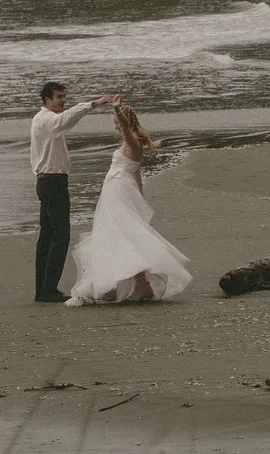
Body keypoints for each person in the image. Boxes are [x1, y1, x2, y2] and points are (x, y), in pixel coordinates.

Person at [64, 102, 192, 305]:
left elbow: (125, 128)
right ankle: (120, 283)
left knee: (122, 232)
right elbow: (137, 173)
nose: (116, 126)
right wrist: (140, 198)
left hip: (118, 190)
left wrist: (117, 109)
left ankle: (140, 283)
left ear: (126, 122)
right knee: (113, 233)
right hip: (116, 189)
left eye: (117, 122)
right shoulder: (130, 144)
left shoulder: (132, 141)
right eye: (115, 122)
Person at [29, 80, 120, 303]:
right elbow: (65, 120)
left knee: (48, 237)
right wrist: (94, 103)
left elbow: (64, 120)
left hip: (49, 181)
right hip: (52, 182)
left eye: (64, 97)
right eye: (59, 97)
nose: (63, 101)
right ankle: (48, 289)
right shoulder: (45, 120)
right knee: (59, 236)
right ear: (47, 100)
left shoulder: (44, 119)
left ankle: (43, 290)